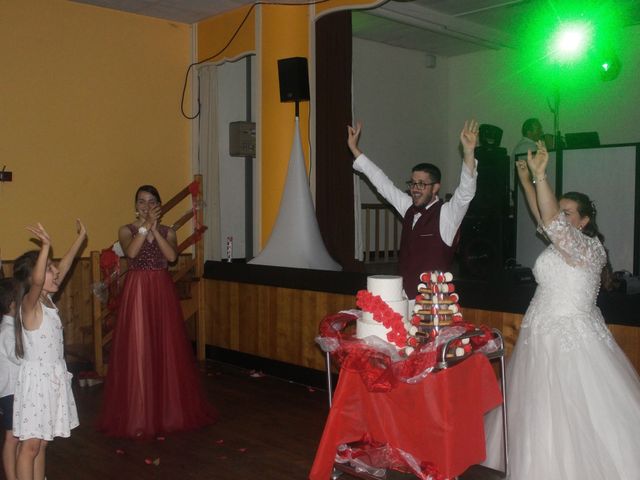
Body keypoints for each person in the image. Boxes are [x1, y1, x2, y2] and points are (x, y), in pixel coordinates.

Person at [483, 142, 640, 478]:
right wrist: (527, 182)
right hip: (539, 331)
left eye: (568, 212)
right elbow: (546, 219)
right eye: (561, 210)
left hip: (570, 336)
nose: (560, 216)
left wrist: (541, 178)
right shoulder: (563, 242)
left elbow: (552, 222)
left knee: (576, 411)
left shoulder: (586, 247)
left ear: (583, 221)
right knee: (536, 409)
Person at [97, 185, 216, 439]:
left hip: (161, 290)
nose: (146, 205)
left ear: (159, 206)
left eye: (151, 202)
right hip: (138, 289)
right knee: (138, 348)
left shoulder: (168, 231)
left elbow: (171, 257)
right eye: (141, 201)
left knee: (165, 348)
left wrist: (155, 229)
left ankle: (167, 412)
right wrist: (144, 227)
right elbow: (130, 252)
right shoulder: (125, 230)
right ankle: (139, 413)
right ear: (135, 205)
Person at [347, 120, 479, 296]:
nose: (415, 188)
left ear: (436, 187)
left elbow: (465, 193)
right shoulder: (408, 206)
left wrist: (469, 152)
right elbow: (382, 182)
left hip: (434, 305)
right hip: (404, 295)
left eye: (422, 184)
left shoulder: (447, 214)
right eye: (413, 183)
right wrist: (355, 149)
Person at [12, 220, 86, 480]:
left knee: (42, 443)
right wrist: (45, 246)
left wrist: (80, 239)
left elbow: (64, 268)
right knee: (30, 445)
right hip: (36, 383)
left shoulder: (48, 300)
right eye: (49, 270)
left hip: (52, 379)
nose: (56, 273)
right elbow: (39, 279)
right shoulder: (29, 305)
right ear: (37, 276)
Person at [0, 277, 20, 480]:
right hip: (11, 392)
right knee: (12, 436)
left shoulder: (10, 328)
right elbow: (18, 357)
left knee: (17, 435)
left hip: (15, 390)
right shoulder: (7, 331)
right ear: (13, 303)